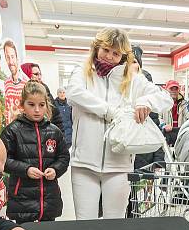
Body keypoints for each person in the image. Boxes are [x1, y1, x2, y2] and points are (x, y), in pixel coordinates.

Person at [66, 27, 172, 220]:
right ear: (97, 47)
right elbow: (74, 93)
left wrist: (145, 102)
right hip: (84, 164)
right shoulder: (82, 71)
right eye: (106, 50)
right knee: (85, 225)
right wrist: (109, 111)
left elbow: (166, 99)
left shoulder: (131, 79)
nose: (109, 56)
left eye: (116, 53)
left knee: (113, 226)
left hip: (119, 166)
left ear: (123, 56)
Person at [1, 81, 69, 222]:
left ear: (47, 105)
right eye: (31, 105)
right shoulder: (12, 131)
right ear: (22, 105)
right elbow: (3, 160)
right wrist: (26, 169)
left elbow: (63, 157)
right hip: (22, 201)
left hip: (49, 200)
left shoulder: (54, 131)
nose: (37, 110)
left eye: (41, 105)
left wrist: (55, 170)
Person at [20, 62, 65, 135]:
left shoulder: (45, 91)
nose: (39, 77)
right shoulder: (19, 93)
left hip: (46, 137)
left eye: (40, 74)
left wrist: (60, 136)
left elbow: (56, 117)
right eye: (36, 74)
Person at [159, 80, 189, 148]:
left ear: (178, 91)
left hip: (180, 135)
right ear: (166, 90)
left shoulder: (184, 104)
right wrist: (164, 125)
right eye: (171, 88)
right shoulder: (161, 103)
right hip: (165, 135)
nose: (174, 91)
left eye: (176, 89)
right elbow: (158, 117)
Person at [3, 39, 27, 124]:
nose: (10, 61)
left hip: (24, 130)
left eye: (12, 57)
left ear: (17, 57)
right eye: (7, 57)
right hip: (10, 131)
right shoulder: (6, 84)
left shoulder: (26, 82)